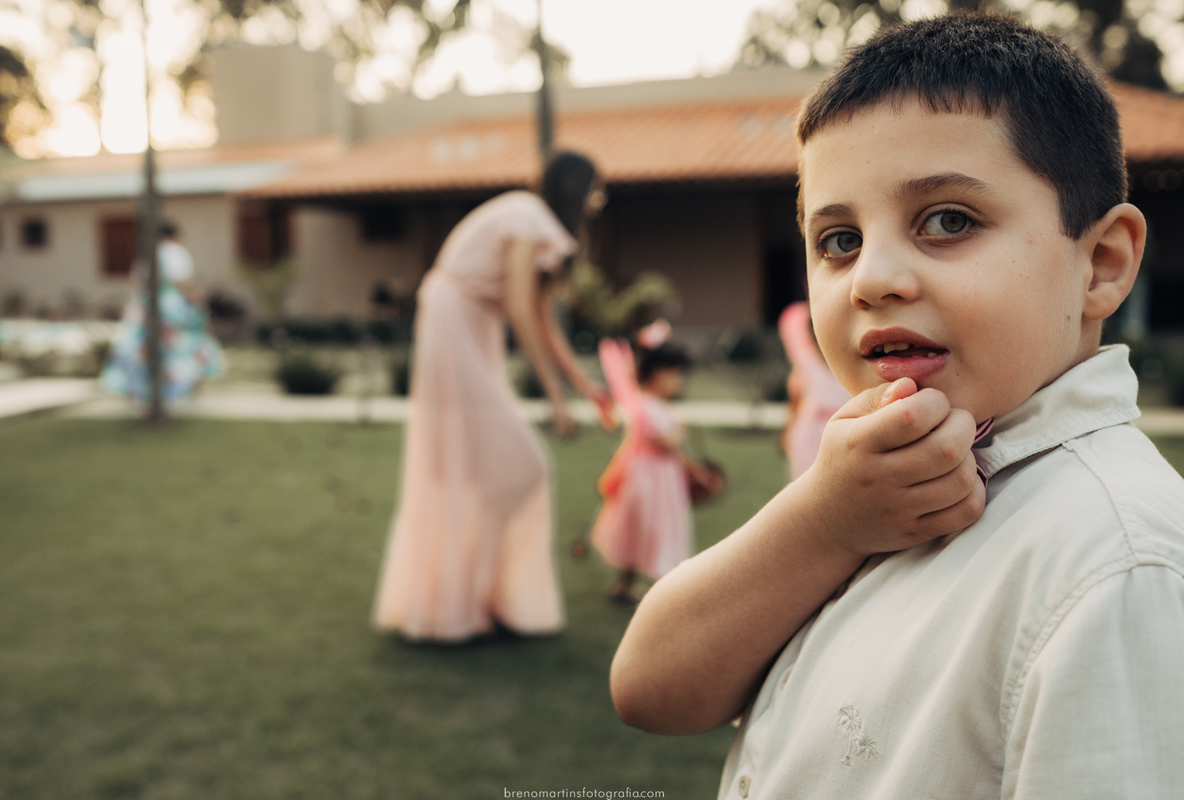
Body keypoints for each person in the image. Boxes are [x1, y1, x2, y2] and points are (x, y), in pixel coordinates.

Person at [609, 14, 1184, 799]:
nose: (871, 278)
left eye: (948, 221)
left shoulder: (1119, 568)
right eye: (838, 240)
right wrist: (821, 521)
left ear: (1102, 265)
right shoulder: (866, 483)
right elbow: (649, 690)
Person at [373, 151, 615, 642]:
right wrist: (555, 398)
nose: (600, 198)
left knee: (498, 471)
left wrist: (586, 388)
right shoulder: (527, 217)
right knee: (513, 465)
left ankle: (487, 598)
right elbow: (521, 311)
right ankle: (454, 604)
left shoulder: (540, 229)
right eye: (596, 187)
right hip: (453, 318)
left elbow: (543, 320)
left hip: (473, 322)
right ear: (577, 188)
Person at [591, 323, 695, 603]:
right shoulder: (648, 407)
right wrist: (680, 430)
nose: (678, 381)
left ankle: (625, 584)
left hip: (649, 477)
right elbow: (667, 444)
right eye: (674, 374)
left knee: (638, 528)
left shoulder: (645, 404)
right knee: (654, 528)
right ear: (655, 374)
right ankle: (664, 590)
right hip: (652, 482)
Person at [101, 222, 224, 402]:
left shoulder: (147, 254)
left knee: (141, 346)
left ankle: (137, 388)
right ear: (174, 235)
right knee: (185, 344)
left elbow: (137, 282)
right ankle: (182, 387)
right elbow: (180, 280)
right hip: (171, 307)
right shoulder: (174, 251)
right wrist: (196, 297)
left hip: (145, 305)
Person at [778, 300, 849, 478]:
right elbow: (796, 397)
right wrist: (788, 429)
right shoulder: (807, 362)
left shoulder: (848, 361)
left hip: (844, 427)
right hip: (811, 428)